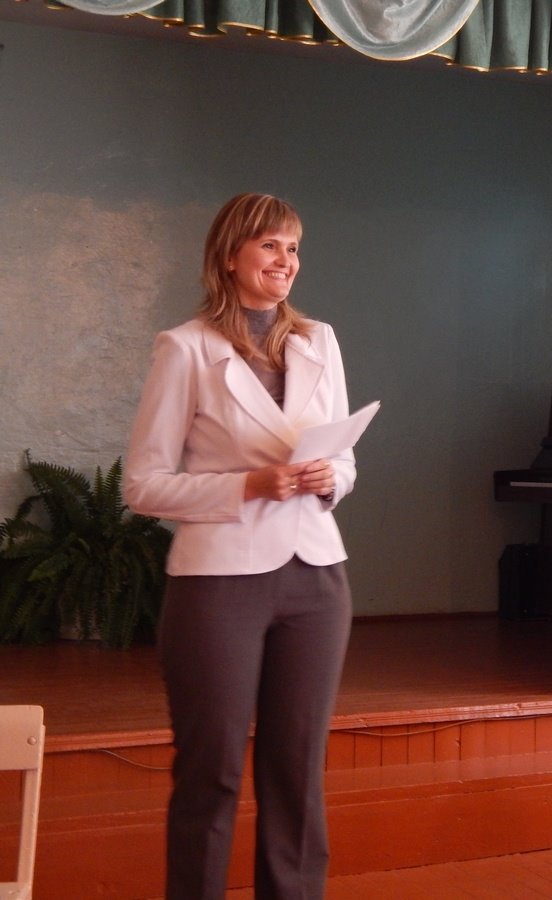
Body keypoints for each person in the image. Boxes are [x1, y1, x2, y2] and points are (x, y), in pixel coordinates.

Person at [125, 193, 356, 899]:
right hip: (218, 582)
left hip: (316, 578)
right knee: (212, 769)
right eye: (270, 246)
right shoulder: (185, 348)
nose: (286, 261)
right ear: (230, 256)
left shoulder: (320, 340)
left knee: (298, 771)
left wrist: (333, 476)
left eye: (293, 248)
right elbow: (143, 485)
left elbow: (344, 458)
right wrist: (247, 485)